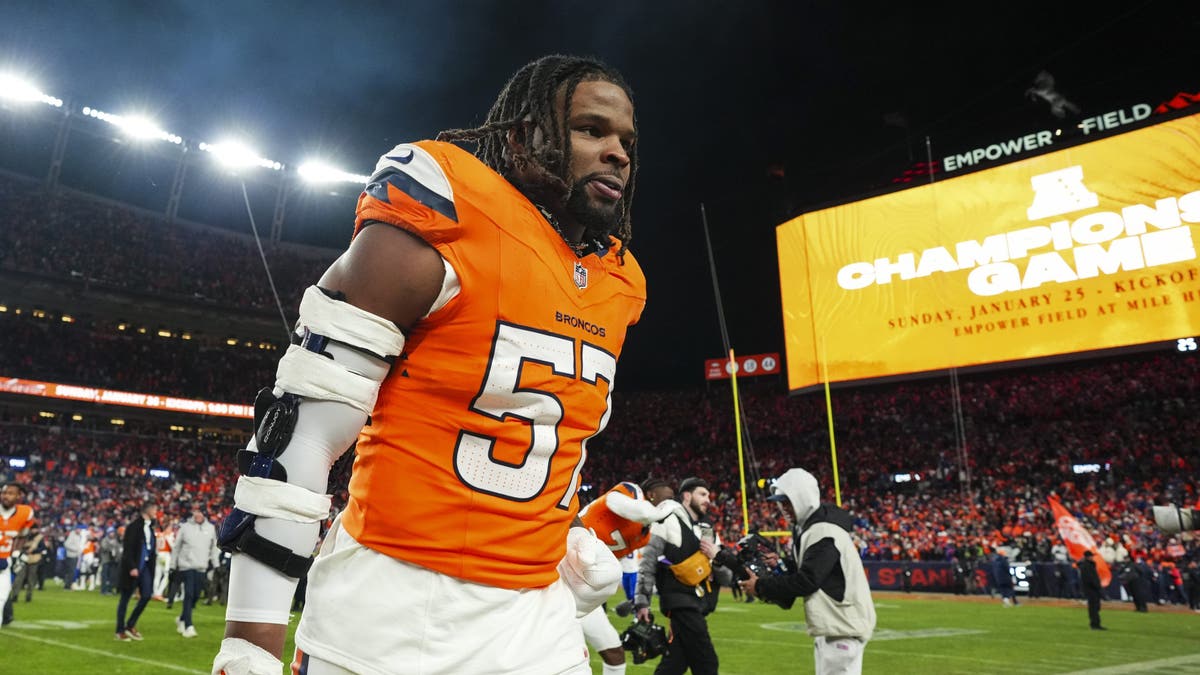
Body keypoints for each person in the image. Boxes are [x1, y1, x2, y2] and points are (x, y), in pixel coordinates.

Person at [213, 53, 644, 675]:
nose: (617, 153)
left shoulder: (620, 283)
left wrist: (559, 541)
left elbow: (541, 445)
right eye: (591, 129)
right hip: (392, 612)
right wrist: (249, 646)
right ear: (523, 138)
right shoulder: (448, 209)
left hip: (537, 625)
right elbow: (301, 431)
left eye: (626, 140)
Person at [739, 468, 875, 675]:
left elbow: (808, 580)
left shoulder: (823, 531)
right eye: (780, 502)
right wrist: (782, 564)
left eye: (787, 501)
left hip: (842, 627)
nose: (783, 508)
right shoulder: (812, 528)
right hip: (837, 625)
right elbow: (814, 571)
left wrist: (759, 585)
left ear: (802, 498)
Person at [579, 478, 681, 675]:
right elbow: (640, 511)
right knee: (571, 657)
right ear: (651, 494)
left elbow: (630, 569)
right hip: (557, 571)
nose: (670, 501)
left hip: (582, 591)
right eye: (667, 497)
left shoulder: (644, 535)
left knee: (615, 654)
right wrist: (667, 508)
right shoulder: (630, 491)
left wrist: (638, 604)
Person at [634, 477, 721, 675]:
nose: (708, 499)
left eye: (709, 495)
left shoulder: (705, 528)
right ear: (687, 496)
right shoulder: (668, 518)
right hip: (681, 604)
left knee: (674, 665)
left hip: (695, 604)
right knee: (707, 664)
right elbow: (648, 562)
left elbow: (721, 571)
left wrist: (716, 557)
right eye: (702, 494)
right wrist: (642, 602)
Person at [171, 506, 220, 638]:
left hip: (201, 566)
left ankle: (181, 618)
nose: (198, 514)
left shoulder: (210, 528)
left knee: (196, 595)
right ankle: (188, 626)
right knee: (189, 594)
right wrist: (173, 564)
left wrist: (216, 565)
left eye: (200, 512)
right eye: (196, 512)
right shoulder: (185, 527)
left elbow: (213, 548)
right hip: (186, 566)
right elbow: (176, 547)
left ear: (204, 514)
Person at [116, 501, 158, 641]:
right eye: (154, 509)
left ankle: (130, 624)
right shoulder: (133, 527)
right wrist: (132, 567)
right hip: (133, 567)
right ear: (147, 510)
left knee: (146, 595)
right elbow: (127, 549)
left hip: (145, 567)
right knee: (125, 599)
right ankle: (120, 630)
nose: (156, 512)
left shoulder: (151, 528)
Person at [1, 482, 36, 629]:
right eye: (3, 493)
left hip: (4, 562)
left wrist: (16, 553)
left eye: (10, 493)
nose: (5, 496)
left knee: (2, 598)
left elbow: (23, 534)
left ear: (18, 496)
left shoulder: (25, 513)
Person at [1080, 549, 1105, 630]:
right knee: (1094, 607)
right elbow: (1091, 579)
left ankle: (1095, 623)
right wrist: (1097, 586)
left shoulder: (1087, 565)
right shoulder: (1087, 566)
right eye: (1091, 556)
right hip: (1091, 589)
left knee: (1094, 607)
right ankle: (1095, 624)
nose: (1092, 558)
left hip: (1091, 589)